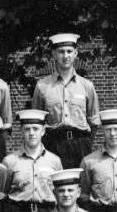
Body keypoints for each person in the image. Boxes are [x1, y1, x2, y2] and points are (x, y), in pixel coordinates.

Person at [32, 33, 100, 169]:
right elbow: (36, 121)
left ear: (75, 53)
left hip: (80, 144)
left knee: (79, 185)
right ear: (54, 54)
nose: (65, 56)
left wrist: (84, 141)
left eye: (69, 51)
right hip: (53, 143)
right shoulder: (42, 86)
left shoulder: (86, 86)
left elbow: (94, 121)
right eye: (61, 52)